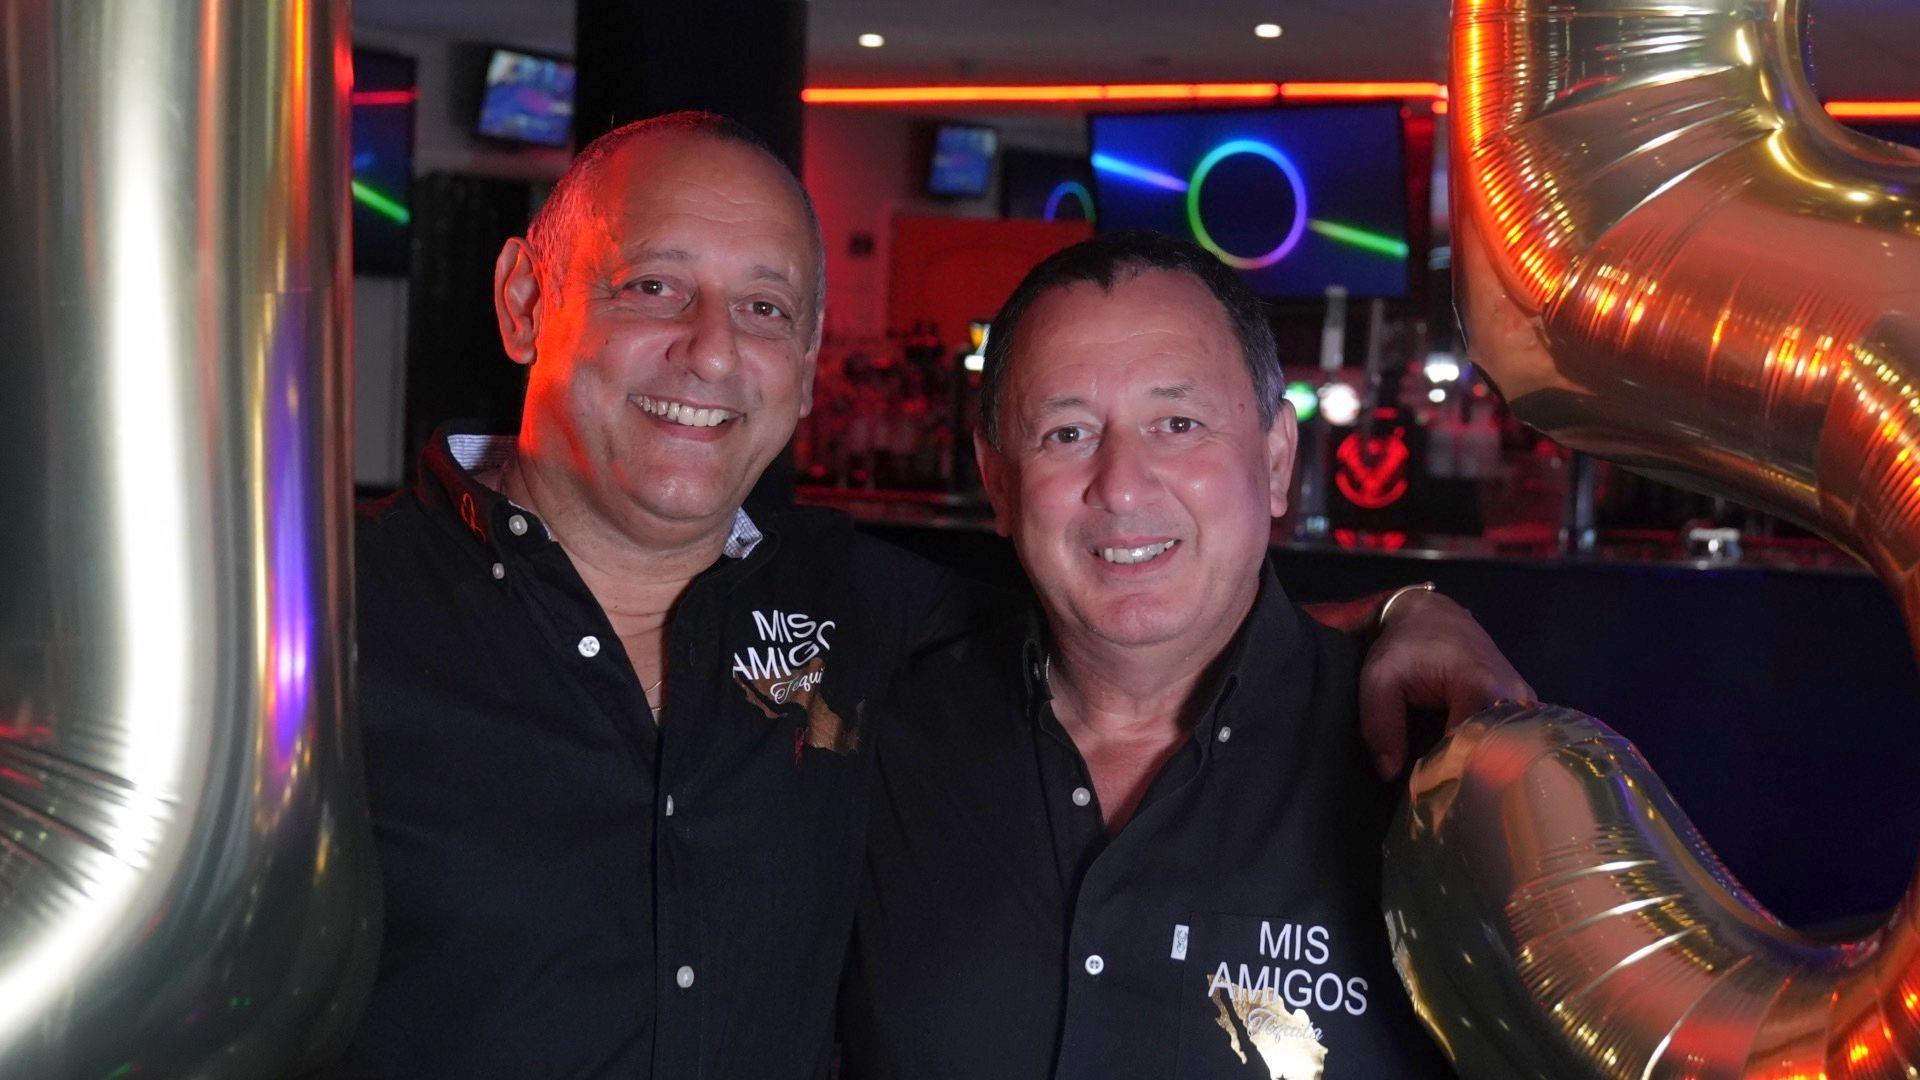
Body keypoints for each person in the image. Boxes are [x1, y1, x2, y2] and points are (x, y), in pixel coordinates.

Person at [345, 113, 1527, 1077]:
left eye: (763, 309)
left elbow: (1134, 613)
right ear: (521, 303)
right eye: (653, 286)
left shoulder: (855, 612)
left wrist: (1397, 617)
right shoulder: (319, 628)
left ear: (805, 361)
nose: (710, 353)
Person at [841, 232, 1474, 1078]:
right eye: (1067, 433)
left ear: (1276, 458)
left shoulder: (1445, 777)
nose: (1124, 485)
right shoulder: (871, 738)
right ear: (997, 482)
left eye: (1178, 424)